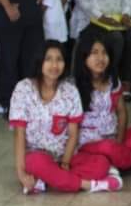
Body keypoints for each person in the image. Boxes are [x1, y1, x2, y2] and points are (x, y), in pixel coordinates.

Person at [10, 41, 122, 194]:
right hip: (37, 154)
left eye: (59, 59)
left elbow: (73, 134)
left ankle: (46, 180)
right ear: (39, 61)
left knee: (101, 163)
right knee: (36, 163)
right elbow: (19, 134)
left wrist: (65, 163)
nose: (54, 65)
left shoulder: (70, 91)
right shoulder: (23, 89)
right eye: (48, 59)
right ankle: (90, 185)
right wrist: (21, 173)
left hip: (65, 155)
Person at [72, 38, 131, 170]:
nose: (101, 58)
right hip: (88, 142)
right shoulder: (74, 86)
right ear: (83, 57)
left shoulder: (112, 81)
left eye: (104, 53)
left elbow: (121, 112)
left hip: (111, 137)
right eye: (94, 52)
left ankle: (117, 156)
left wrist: (119, 141)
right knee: (107, 149)